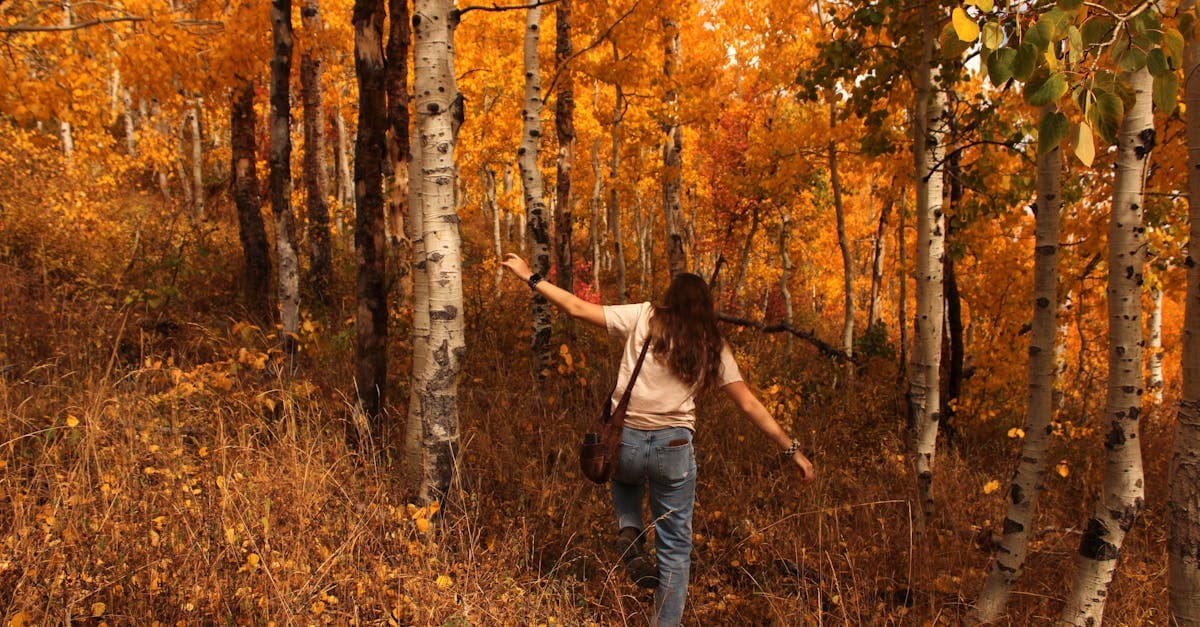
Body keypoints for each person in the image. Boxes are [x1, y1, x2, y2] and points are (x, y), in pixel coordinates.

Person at [500, 253, 815, 626]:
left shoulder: (645, 316)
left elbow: (576, 308)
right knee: (676, 550)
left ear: (671, 297)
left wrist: (529, 277)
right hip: (675, 450)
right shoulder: (713, 345)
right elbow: (748, 404)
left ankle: (629, 528)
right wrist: (791, 449)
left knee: (623, 469)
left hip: (628, 441)